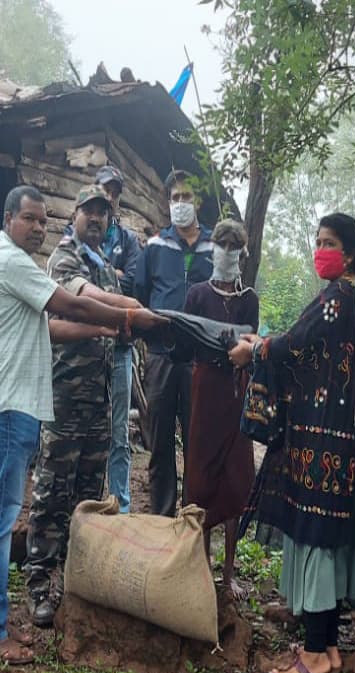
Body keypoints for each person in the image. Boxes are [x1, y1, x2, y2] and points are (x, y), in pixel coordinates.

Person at [0, 185, 164, 665]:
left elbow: (50, 327)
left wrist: (108, 326)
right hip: (8, 405)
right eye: (29, 219)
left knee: (1, 517)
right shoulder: (12, 262)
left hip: (16, 404)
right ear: (8, 219)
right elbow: (70, 305)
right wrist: (132, 316)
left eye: (42, 220)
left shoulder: (17, 264)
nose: (38, 227)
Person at [229, 213, 355, 673]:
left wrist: (256, 350)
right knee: (327, 536)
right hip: (348, 429)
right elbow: (320, 353)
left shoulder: (339, 296)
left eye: (329, 242)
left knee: (315, 534)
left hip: (326, 433)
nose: (320, 250)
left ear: (349, 252)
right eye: (317, 241)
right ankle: (327, 646)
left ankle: (313, 654)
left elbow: (297, 343)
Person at [25, 185, 142, 627]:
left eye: (103, 213)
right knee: (52, 491)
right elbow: (87, 303)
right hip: (64, 398)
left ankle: (77, 579)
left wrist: (127, 326)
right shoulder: (64, 259)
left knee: (88, 494)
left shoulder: (107, 268)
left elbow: (115, 327)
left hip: (99, 401)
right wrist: (130, 310)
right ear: (73, 215)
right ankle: (39, 584)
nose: (96, 218)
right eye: (89, 211)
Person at [182, 218, 258, 598]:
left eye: (234, 246)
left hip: (236, 391)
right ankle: (201, 567)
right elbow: (185, 343)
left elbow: (252, 345)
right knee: (201, 474)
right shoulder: (197, 294)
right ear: (213, 248)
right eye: (222, 245)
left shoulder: (249, 299)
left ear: (242, 253)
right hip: (205, 388)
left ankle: (228, 575)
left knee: (236, 473)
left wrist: (240, 351)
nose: (227, 252)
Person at [135, 169, 214, 517]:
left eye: (187, 197)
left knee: (198, 441)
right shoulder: (155, 247)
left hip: (199, 360)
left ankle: (193, 517)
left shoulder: (215, 246)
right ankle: (162, 518)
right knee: (160, 442)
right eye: (175, 197)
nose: (180, 203)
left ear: (199, 201)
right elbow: (139, 294)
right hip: (161, 357)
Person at [96, 166, 143, 513]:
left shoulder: (127, 240)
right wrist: (114, 275)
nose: (109, 196)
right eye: (105, 189)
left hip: (121, 348)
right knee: (84, 427)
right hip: (84, 350)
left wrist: (103, 277)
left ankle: (120, 507)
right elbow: (74, 280)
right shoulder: (75, 234)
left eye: (114, 192)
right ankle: (87, 503)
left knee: (119, 431)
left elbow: (134, 283)